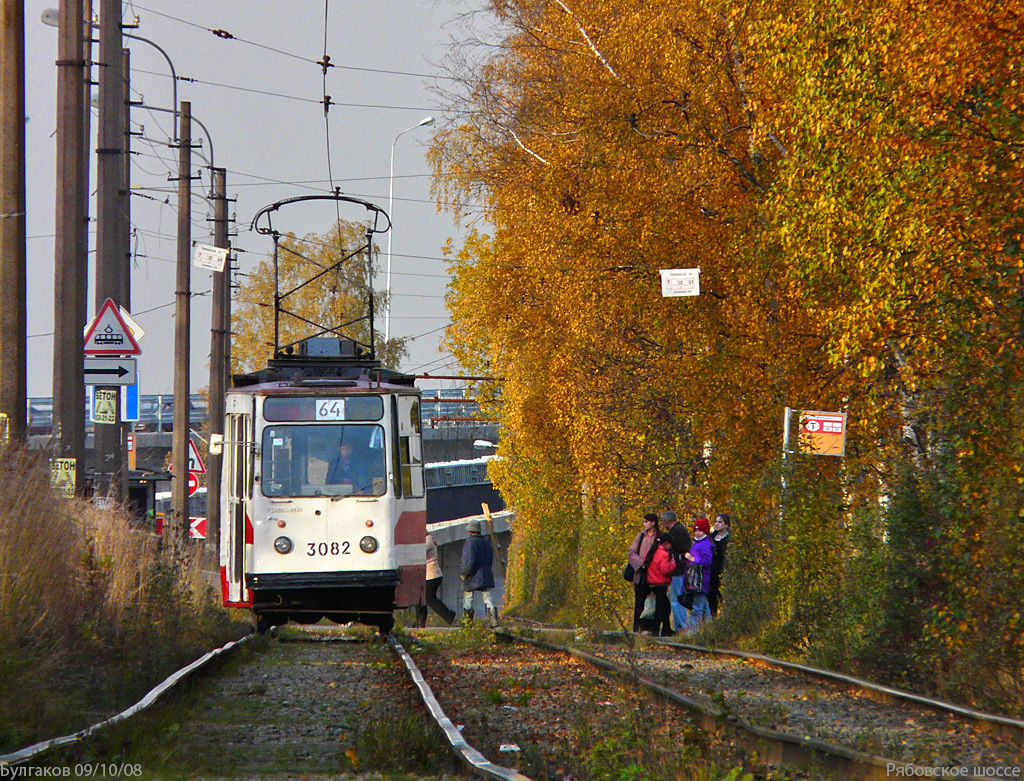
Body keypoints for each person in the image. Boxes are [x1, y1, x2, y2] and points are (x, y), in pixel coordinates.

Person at [660, 510, 693, 634]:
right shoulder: (680, 530)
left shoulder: (677, 532)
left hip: (678, 570)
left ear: (667, 521)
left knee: (677, 598)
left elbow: (681, 548)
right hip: (680, 569)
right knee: (678, 597)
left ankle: (681, 626)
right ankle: (682, 625)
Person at [461, 519, 498, 627]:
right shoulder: (486, 542)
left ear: (470, 531)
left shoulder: (470, 542)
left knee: (468, 596)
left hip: (472, 575)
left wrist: (465, 573)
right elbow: (490, 559)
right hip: (485, 573)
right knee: (487, 596)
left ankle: (467, 622)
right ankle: (494, 619)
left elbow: (468, 560)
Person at [627, 513, 660, 632]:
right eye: (644, 521)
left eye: (646, 521)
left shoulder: (660, 537)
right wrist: (641, 563)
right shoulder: (640, 537)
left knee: (657, 604)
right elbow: (631, 552)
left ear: (653, 522)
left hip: (656, 576)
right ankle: (637, 630)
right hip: (641, 575)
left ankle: (654, 630)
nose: (644, 524)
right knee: (639, 604)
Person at [416, 533, 455, 627]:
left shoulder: (428, 541)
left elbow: (419, 553)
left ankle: (449, 615)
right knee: (421, 599)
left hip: (432, 575)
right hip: (428, 575)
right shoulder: (428, 540)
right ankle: (419, 622)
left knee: (429, 598)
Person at [642, 533, 677, 637]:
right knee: (662, 607)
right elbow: (665, 569)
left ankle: (666, 628)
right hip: (661, 582)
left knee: (663, 606)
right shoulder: (664, 554)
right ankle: (656, 629)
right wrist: (673, 563)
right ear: (666, 543)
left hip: (652, 581)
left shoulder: (652, 552)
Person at [683, 517, 714, 629]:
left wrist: (693, 559)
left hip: (701, 579)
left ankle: (693, 630)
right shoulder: (696, 543)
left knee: (697, 607)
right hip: (694, 579)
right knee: (704, 607)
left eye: (700, 530)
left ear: (705, 531)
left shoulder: (705, 544)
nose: (697, 533)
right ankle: (710, 628)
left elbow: (707, 561)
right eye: (696, 530)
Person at [709, 513, 731, 618]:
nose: (717, 524)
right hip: (712, 570)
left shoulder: (730, 539)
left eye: (720, 522)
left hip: (724, 570)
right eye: (716, 522)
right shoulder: (712, 537)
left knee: (723, 593)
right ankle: (712, 616)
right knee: (712, 594)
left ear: (726, 525)